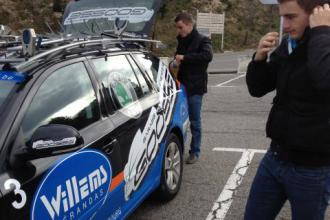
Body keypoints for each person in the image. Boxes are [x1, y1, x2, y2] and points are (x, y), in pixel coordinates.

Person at [244, 0, 330, 219]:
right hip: (275, 157)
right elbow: (258, 88)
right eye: (282, 16)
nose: (284, 24)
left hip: (312, 169)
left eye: (291, 17)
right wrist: (259, 58)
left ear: (316, 14)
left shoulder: (324, 43)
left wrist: (321, 32)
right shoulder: (289, 44)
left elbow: (324, 80)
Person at [172, 12, 213, 164]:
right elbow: (177, 56)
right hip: (180, 86)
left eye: (180, 27)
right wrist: (174, 62)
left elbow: (207, 56)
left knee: (195, 121)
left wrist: (185, 58)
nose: (179, 30)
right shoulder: (181, 40)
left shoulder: (203, 40)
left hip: (195, 87)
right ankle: (179, 149)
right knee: (179, 120)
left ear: (189, 25)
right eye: (177, 27)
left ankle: (194, 151)